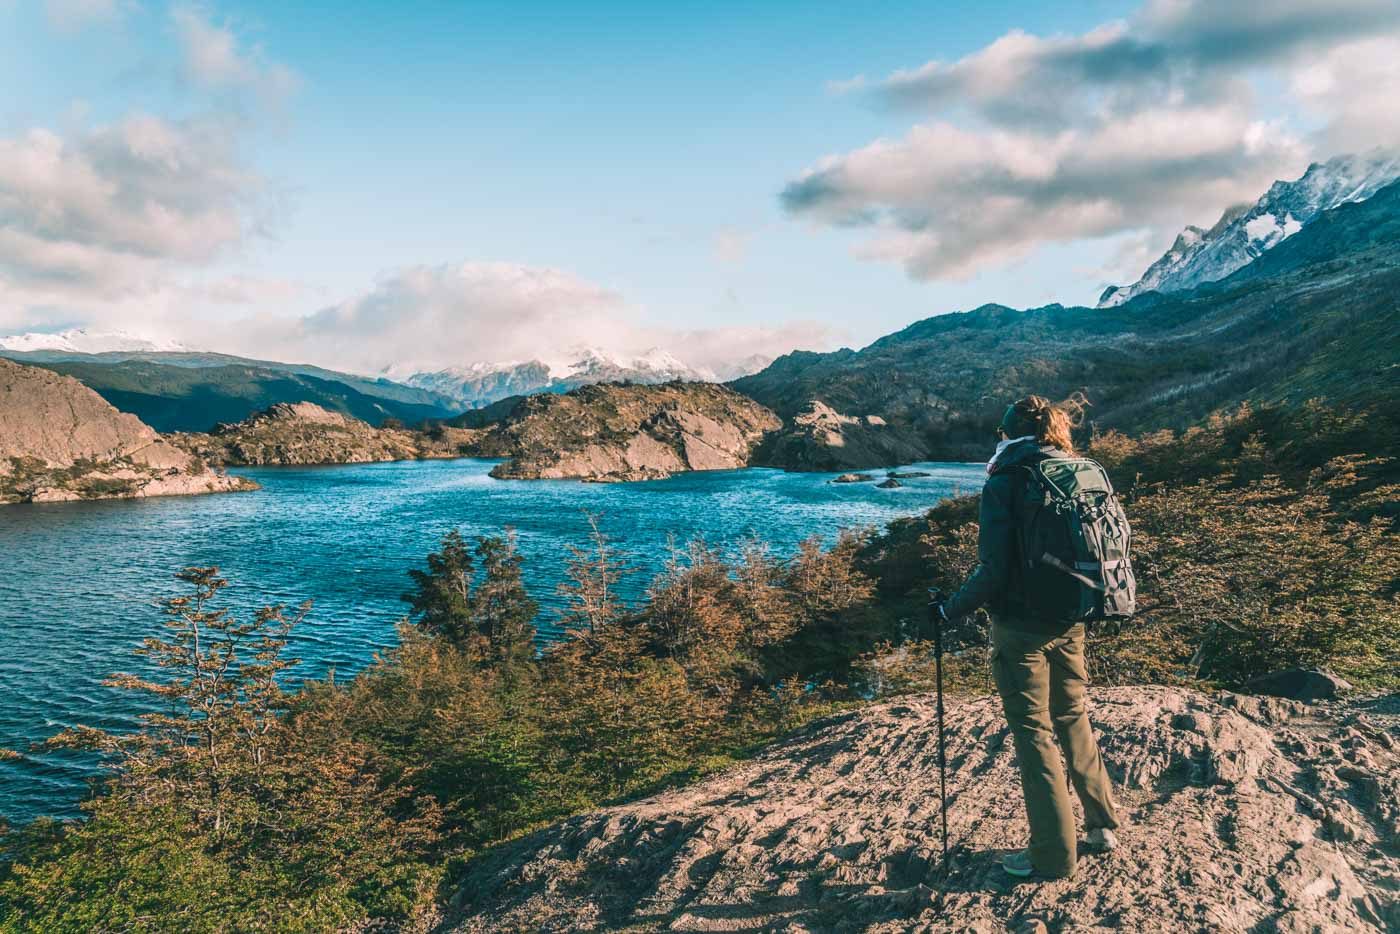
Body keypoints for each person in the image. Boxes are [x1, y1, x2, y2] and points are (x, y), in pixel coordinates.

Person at [938, 394, 1121, 881]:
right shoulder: (1081, 469)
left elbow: (993, 570)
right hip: (1072, 617)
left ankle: (1052, 855)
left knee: (1034, 734)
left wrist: (947, 610)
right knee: (1072, 716)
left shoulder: (1007, 479)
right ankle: (1102, 825)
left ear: (1008, 434)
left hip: (1021, 627)